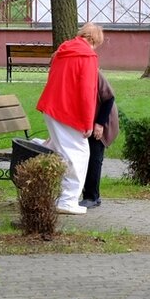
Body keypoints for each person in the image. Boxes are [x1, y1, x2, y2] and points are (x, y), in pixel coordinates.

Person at [35, 23, 102, 215]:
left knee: (59, 149)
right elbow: (87, 91)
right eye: (96, 44)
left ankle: (38, 161)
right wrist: (87, 122)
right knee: (79, 154)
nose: (95, 48)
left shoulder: (62, 51)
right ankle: (67, 200)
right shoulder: (88, 56)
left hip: (52, 106)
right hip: (68, 111)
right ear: (92, 40)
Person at [79, 71, 119, 209]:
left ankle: (92, 197)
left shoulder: (94, 73)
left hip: (101, 120)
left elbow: (109, 98)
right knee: (84, 157)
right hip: (86, 121)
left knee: (94, 158)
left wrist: (99, 124)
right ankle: (87, 194)